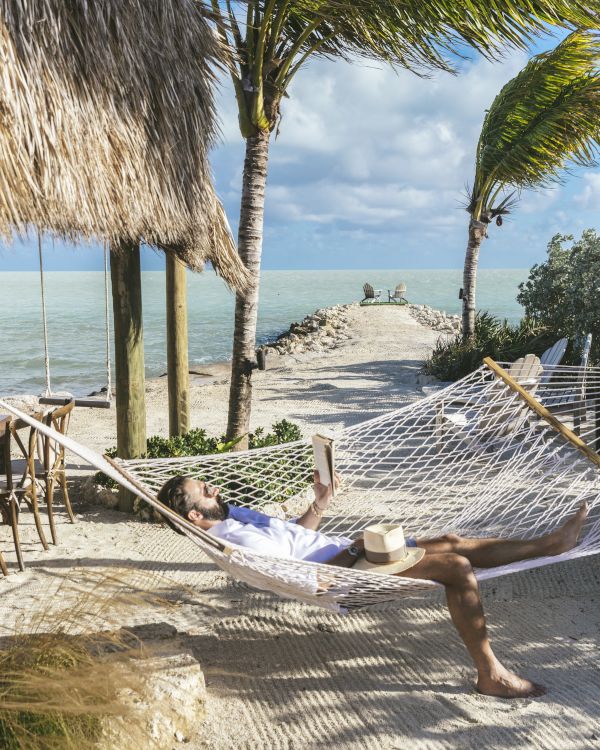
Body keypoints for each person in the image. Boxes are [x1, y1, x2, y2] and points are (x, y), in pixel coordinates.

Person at [158, 472, 589, 699]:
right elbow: (314, 579)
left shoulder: (239, 521)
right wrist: (358, 553)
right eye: (204, 490)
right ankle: (490, 674)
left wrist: (319, 504)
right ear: (195, 516)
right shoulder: (237, 543)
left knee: (450, 541)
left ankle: (549, 544)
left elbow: (297, 539)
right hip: (349, 579)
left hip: (352, 555)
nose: (214, 487)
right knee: (456, 566)